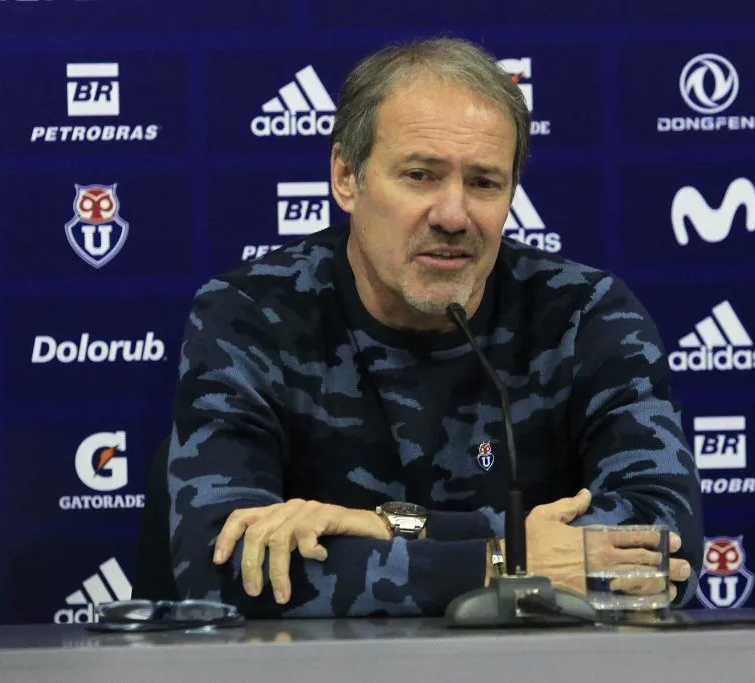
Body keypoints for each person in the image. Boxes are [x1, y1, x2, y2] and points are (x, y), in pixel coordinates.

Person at [167, 36, 703, 618]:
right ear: (347, 177)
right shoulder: (251, 314)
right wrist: (502, 564)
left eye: (484, 183)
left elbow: (662, 551)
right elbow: (221, 566)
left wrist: (389, 526)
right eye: (420, 175)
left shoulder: (584, 314)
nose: (453, 215)